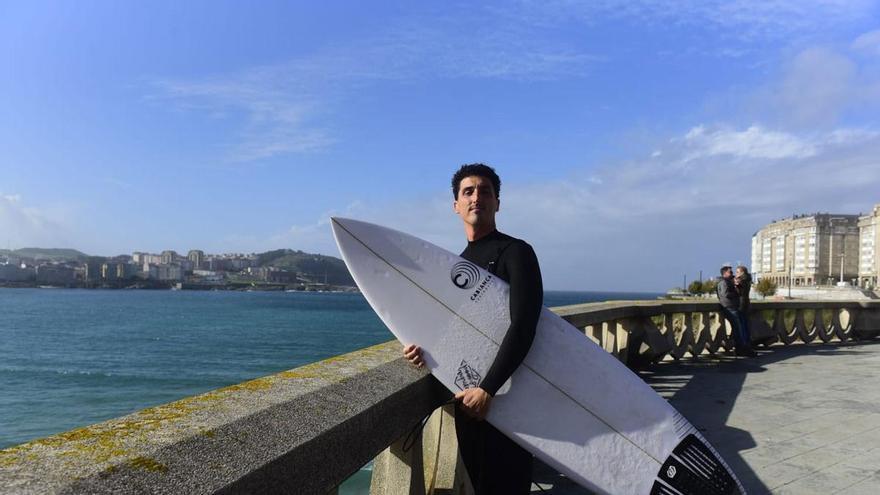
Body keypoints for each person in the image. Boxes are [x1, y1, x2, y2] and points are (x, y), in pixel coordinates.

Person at [403, 163, 543, 495]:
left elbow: (524, 325)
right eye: (468, 192)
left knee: (507, 487)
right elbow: (452, 332)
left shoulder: (516, 252)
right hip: (468, 401)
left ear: (497, 203)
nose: (476, 197)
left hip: (505, 398)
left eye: (485, 191)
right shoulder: (456, 266)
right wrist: (421, 351)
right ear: (456, 205)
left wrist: (489, 389)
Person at [716, 265, 755, 357]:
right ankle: (743, 348)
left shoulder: (740, 281)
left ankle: (743, 348)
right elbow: (725, 294)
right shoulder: (724, 282)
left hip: (738, 306)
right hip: (731, 306)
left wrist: (736, 287)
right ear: (725, 273)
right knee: (740, 328)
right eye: (730, 272)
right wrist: (735, 291)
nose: (733, 274)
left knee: (740, 328)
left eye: (735, 272)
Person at [734, 265, 753, 350]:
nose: (736, 273)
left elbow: (738, 292)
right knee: (745, 323)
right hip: (746, 303)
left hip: (741, 304)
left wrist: (736, 284)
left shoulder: (741, 281)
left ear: (742, 272)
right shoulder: (748, 279)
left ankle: (744, 343)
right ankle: (747, 342)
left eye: (737, 272)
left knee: (742, 325)